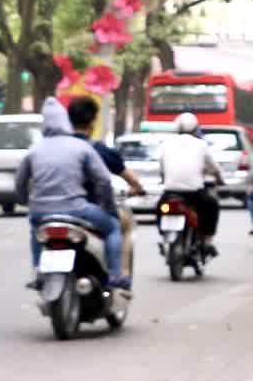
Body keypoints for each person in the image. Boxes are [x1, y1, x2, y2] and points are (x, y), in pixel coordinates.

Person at [17, 97, 128, 291]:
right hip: (76, 210)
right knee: (113, 228)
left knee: (36, 231)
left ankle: (37, 270)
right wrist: (108, 207)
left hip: (41, 212)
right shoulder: (82, 147)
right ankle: (116, 275)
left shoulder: (34, 150)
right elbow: (103, 180)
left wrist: (28, 203)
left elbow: (19, 182)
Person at [66, 95, 142, 286]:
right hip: (87, 209)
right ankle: (116, 276)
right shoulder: (96, 150)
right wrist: (137, 188)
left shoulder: (58, 147)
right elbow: (114, 180)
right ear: (92, 122)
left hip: (54, 209)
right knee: (116, 225)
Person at [157, 112, 223, 256]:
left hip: (170, 192)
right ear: (195, 128)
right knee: (211, 205)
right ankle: (207, 240)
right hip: (194, 193)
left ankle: (164, 235)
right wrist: (219, 178)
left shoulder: (166, 144)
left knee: (159, 208)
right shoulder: (201, 144)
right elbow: (214, 167)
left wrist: (164, 178)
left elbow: (161, 168)